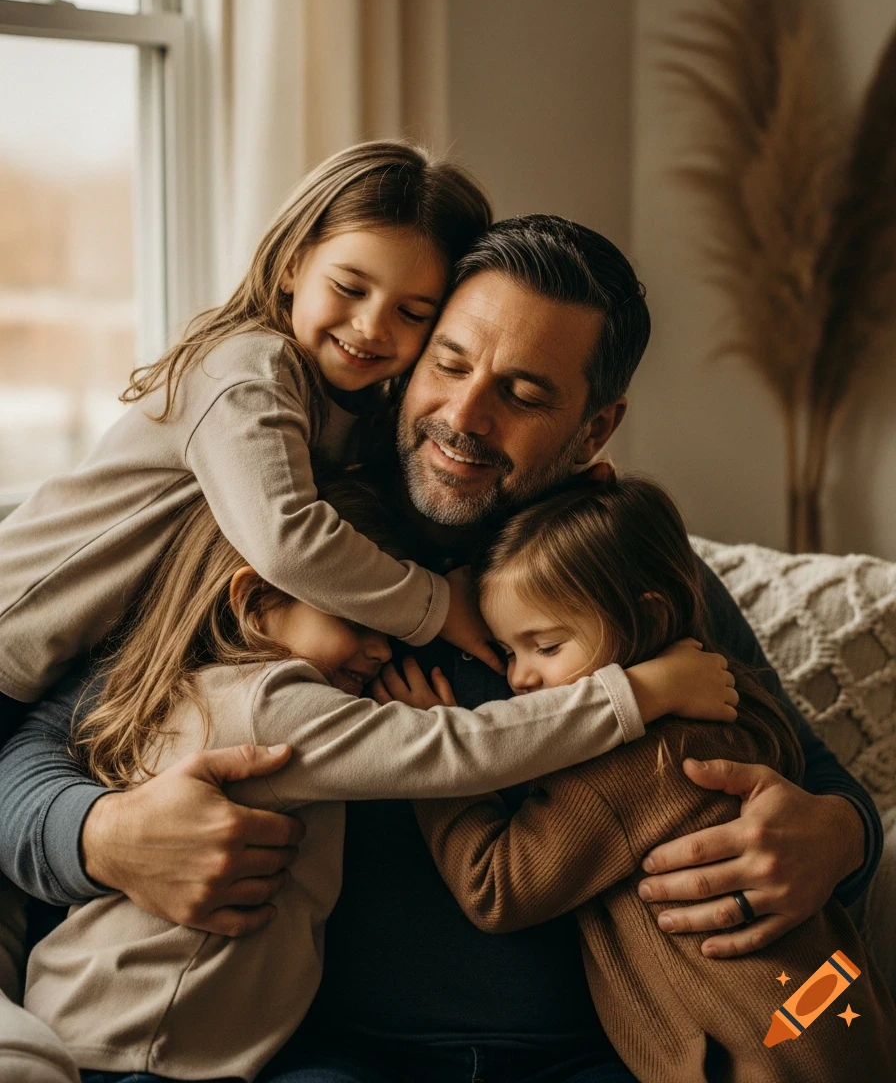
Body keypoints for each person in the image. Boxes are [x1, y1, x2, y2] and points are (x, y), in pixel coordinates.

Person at [0, 216, 883, 1083]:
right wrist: (102, 836)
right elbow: (33, 756)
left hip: (603, 1052)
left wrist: (834, 843)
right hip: (322, 1053)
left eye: (525, 395)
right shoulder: (298, 538)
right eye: (450, 365)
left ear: (596, 429)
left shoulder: (625, 570)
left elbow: (815, 776)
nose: (464, 416)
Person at [20, 481, 732, 1083]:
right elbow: (458, 748)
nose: (379, 646)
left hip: (131, 1027)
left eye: (392, 620)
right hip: (142, 1044)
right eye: (356, 615)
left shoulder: (203, 690)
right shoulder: (273, 702)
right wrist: (636, 694)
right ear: (255, 600)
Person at [402, 476, 896, 1083]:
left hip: (753, 1054)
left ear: (647, 613)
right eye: (508, 653)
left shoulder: (627, 768)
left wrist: (432, 754)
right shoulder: (725, 698)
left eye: (546, 646)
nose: (521, 679)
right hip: (833, 1011)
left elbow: (497, 887)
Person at [0, 139, 501, 732]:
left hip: (81, 672)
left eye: (413, 313)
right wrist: (439, 606)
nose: (371, 326)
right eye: (349, 287)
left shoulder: (361, 413)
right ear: (293, 264)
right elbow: (285, 539)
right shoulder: (249, 370)